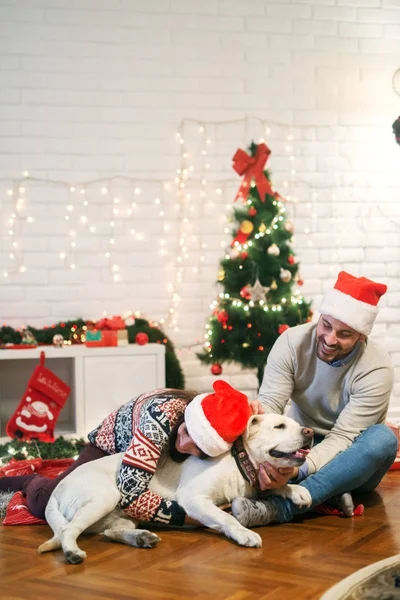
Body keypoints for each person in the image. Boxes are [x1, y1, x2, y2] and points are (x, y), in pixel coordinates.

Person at [231, 271, 398, 527]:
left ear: (361, 336)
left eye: (344, 334)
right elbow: (271, 408)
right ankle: (329, 492)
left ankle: (283, 507)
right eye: (327, 326)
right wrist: (274, 464)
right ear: (319, 318)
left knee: (384, 439)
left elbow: (343, 437)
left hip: (351, 455)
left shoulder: (376, 369)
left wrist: (298, 471)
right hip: (299, 444)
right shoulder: (291, 342)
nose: (330, 340)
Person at [0, 379, 262, 525]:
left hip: (148, 457)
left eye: (199, 448)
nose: (186, 446)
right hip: (109, 449)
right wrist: (190, 516)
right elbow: (130, 495)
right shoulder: (158, 420)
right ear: (189, 416)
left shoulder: (214, 426)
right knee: (47, 502)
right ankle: (29, 480)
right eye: (186, 432)